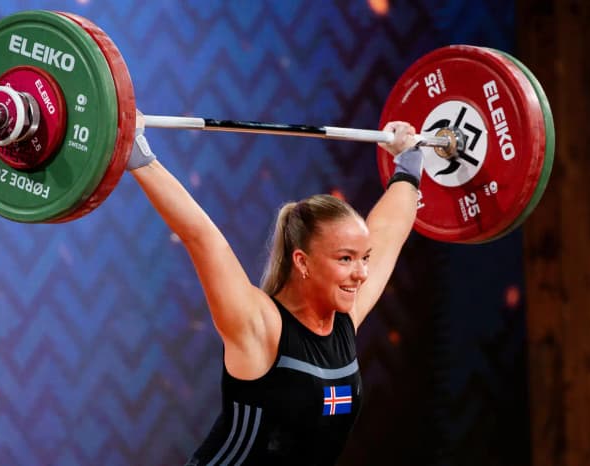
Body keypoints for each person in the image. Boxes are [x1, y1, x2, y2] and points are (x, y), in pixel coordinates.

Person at [127, 110, 422, 466]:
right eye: (345, 258)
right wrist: (136, 153)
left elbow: (389, 230)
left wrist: (409, 162)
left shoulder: (345, 317)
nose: (361, 273)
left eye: (364, 258)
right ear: (302, 262)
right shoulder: (260, 326)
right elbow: (202, 237)